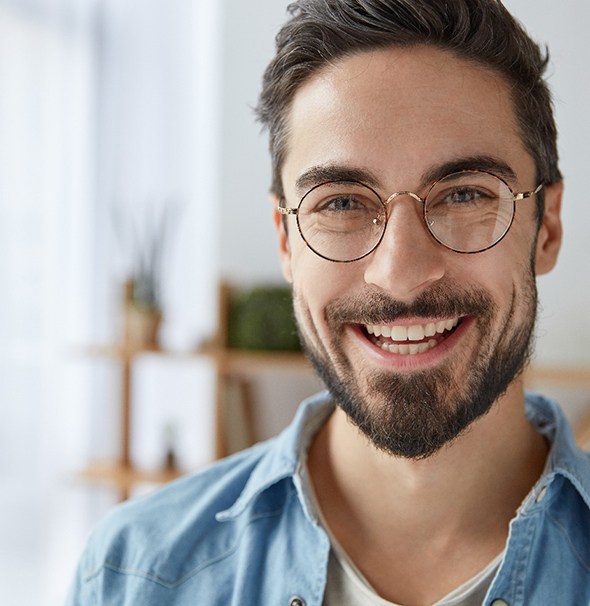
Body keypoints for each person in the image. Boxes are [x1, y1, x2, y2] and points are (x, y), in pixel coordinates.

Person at [67, 1, 590, 604]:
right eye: (341, 203)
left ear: (546, 225)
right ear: (286, 240)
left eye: (465, 194)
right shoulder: (135, 574)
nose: (400, 274)